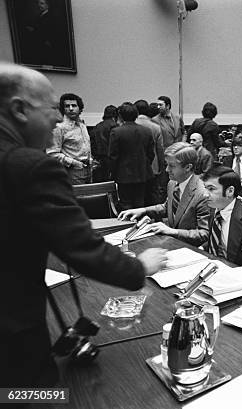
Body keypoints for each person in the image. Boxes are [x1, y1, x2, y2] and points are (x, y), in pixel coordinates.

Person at [0, 63, 167, 388]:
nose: (57, 121)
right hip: (13, 331)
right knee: (34, 398)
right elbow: (82, 249)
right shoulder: (29, 166)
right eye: (53, 109)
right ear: (19, 109)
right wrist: (139, 267)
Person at [119, 142, 210, 247]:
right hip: (172, 244)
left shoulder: (202, 193)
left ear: (188, 167)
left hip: (191, 250)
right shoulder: (172, 183)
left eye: (171, 166)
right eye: (167, 165)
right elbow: (167, 207)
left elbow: (205, 234)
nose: (167, 170)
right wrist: (143, 210)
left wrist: (172, 231)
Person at [108, 102, 155, 210]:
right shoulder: (146, 131)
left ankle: (129, 224)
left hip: (123, 174)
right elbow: (150, 153)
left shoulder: (116, 132)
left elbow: (113, 156)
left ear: (120, 116)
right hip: (143, 173)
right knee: (140, 202)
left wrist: (113, 173)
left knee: (125, 203)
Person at [46, 93, 92, 184]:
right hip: (71, 171)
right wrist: (74, 163)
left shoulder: (82, 125)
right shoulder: (59, 127)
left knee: (89, 196)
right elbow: (51, 153)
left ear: (80, 108)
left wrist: (90, 160)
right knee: (77, 197)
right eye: (67, 106)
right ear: (63, 109)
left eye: (74, 105)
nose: (71, 108)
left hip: (88, 170)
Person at [134, 99, 165, 205]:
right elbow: (160, 149)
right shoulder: (156, 127)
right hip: (152, 167)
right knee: (152, 195)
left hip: (133, 170)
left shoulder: (127, 127)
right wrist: (161, 167)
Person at [91, 105, 117, 182]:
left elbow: (92, 143)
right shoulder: (114, 126)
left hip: (98, 160)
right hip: (111, 160)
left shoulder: (97, 126)